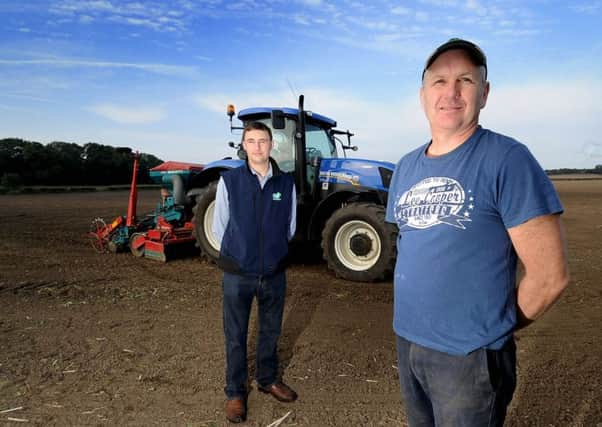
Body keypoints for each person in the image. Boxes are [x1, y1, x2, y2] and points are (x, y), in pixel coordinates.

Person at [385, 38, 569, 426]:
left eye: (465, 80)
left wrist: (495, 327)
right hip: (409, 342)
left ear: (484, 94)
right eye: (439, 81)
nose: (450, 92)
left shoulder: (508, 160)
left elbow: (550, 277)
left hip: (469, 357)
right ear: (422, 95)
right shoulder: (405, 167)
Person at [212, 121, 298, 423]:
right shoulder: (229, 181)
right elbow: (219, 226)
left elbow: (290, 227)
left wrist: (271, 254)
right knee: (235, 335)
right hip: (238, 273)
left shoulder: (286, 183)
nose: (258, 146)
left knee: (270, 331)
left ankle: (267, 379)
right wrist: (241, 253)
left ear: (271, 144)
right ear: (244, 145)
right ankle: (235, 392)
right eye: (252, 141)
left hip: (274, 272)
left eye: (263, 140)